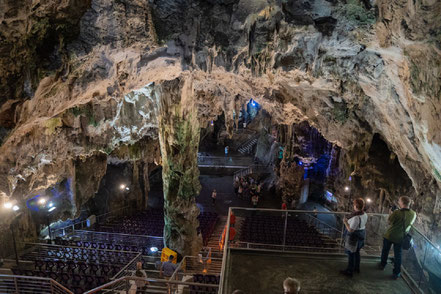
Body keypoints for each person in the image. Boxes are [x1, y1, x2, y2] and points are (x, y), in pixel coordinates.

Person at [379, 196, 416, 279]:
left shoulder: (397, 212)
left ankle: (382, 265)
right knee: (398, 255)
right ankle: (396, 273)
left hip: (390, 235)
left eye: (399, 201)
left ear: (402, 203)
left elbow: (389, 222)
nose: (398, 202)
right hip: (401, 237)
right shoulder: (413, 213)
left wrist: (391, 213)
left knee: (385, 251)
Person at [340, 198, 368, 277]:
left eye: (354, 205)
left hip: (354, 236)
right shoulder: (364, 214)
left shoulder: (356, 218)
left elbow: (350, 230)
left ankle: (349, 271)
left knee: (351, 253)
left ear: (356, 206)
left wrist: (345, 222)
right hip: (362, 234)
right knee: (357, 252)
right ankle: (356, 268)